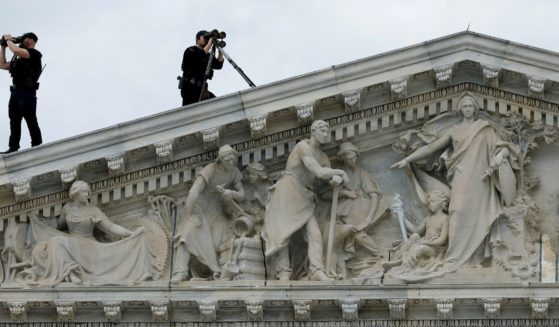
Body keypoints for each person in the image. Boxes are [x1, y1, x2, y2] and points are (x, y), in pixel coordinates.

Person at [391, 93, 518, 272]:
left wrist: (501, 155)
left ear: (475, 109)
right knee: (456, 212)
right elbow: (431, 147)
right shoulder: (454, 130)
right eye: (464, 106)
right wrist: (407, 159)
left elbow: (503, 148)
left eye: (470, 106)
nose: (467, 109)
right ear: (460, 109)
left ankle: (474, 260)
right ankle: (454, 260)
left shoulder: (485, 128)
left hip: (481, 179)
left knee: (479, 216)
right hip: (461, 176)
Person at [16, 181, 152, 286]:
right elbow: (58, 226)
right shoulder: (67, 209)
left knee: (59, 242)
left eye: (88, 192)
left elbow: (110, 227)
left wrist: (130, 234)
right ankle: (69, 272)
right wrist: (39, 222)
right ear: (76, 193)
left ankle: (72, 271)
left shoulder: (93, 210)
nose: (88, 195)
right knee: (56, 241)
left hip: (88, 246)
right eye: (85, 192)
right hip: (71, 241)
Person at [261, 120, 349, 281]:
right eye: (322, 131)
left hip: (306, 196)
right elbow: (319, 172)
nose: (325, 135)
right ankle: (284, 273)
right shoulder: (303, 147)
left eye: (327, 132)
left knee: (314, 234)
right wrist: (340, 172)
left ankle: (316, 270)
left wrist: (336, 180)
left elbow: (326, 181)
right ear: (313, 130)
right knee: (283, 233)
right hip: (289, 190)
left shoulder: (323, 156)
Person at [171, 144, 245, 283]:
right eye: (227, 160)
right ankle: (180, 272)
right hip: (199, 209)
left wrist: (231, 193)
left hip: (217, 211)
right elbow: (194, 191)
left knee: (224, 241)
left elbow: (242, 195)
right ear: (220, 159)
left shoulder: (234, 172)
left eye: (232, 159)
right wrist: (186, 216)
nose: (231, 162)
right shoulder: (211, 169)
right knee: (186, 233)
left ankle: (219, 272)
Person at [320, 142, 388, 279]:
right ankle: (379, 254)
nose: (352, 161)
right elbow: (324, 194)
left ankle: (380, 253)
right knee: (349, 236)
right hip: (342, 211)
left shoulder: (361, 172)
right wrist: (344, 193)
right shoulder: (337, 172)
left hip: (358, 208)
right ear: (343, 159)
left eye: (354, 157)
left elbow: (373, 193)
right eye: (349, 159)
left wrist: (369, 217)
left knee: (357, 232)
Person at [383, 190, 449, 281]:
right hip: (424, 243)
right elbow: (416, 231)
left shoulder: (445, 218)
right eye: (428, 202)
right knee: (414, 236)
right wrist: (403, 218)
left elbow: (442, 239)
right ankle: (399, 259)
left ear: (442, 203)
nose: (429, 204)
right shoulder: (428, 218)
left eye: (432, 201)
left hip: (434, 249)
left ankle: (406, 268)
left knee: (419, 248)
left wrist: (428, 243)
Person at [0, 32, 43, 154]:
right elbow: (2, 64)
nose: (21, 41)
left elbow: (17, 51)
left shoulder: (34, 54)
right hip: (15, 91)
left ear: (30, 40)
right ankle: (13, 147)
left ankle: (36, 144)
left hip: (27, 91)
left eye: (24, 39)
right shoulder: (19, 58)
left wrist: (9, 40)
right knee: (14, 120)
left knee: (30, 118)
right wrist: (3, 46)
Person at [180, 30, 224, 106]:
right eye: (205, 38)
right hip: (189, 88)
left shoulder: (207, 55)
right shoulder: (190, 50)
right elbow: (199, 56)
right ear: (198, 39)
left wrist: (220, 50)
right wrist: (210, 43)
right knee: (191, 113)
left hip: (202, 89)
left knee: (218, 104)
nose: (207, 40)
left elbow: (218, 65)